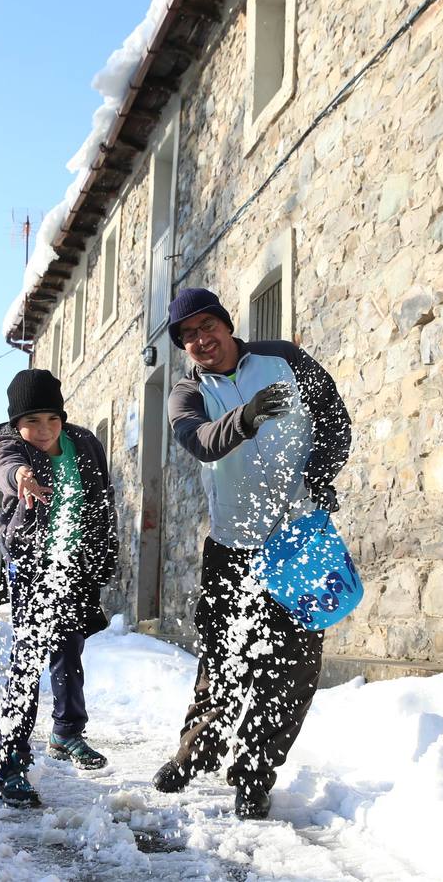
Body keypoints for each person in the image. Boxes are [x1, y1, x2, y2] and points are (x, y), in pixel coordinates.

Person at [152, 287, 352, 819]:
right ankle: (197, 753)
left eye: (206, 326)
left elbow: (335, 420)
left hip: (297, 540)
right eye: (187, 335)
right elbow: (198, 441)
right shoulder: (184, 393)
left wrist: (318, 474)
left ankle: (255, 774)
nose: (200, 340)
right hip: (231, 545)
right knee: (221, 658)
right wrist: (245, 417)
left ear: (226, 323)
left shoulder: (284, 360)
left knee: (291, 667)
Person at [0, 368, 118, 807]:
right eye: (32, 422)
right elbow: (5, 467)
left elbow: (103, 496)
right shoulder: (10, 445)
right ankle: (8, 764)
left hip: (76, 564)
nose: (42, 431)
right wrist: (20, 476)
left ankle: (67, 733)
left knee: (69, 650)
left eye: (51, 420)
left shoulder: (84, 442)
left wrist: (105, 554)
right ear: (16, 423)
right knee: (27, 664)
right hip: (34, 566)